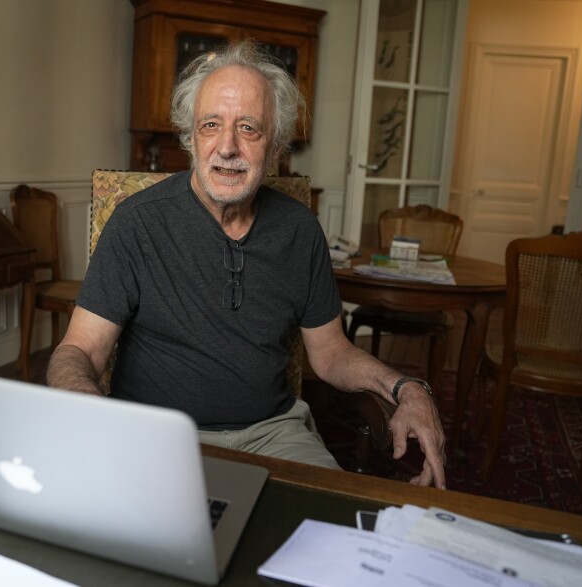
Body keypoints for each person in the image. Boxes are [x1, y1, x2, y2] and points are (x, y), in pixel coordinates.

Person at [47, 40, 447, 488]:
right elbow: (77, 350)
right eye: (211, 125)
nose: (227, 147)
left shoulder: (299, 230)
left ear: (275, 145)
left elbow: (332, 353)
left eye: (249, 128)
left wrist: (404, 388)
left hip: (274, 433)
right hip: (159, 438)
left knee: (334, 532)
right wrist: (89, 410)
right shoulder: (137, 223)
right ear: (191, 137)